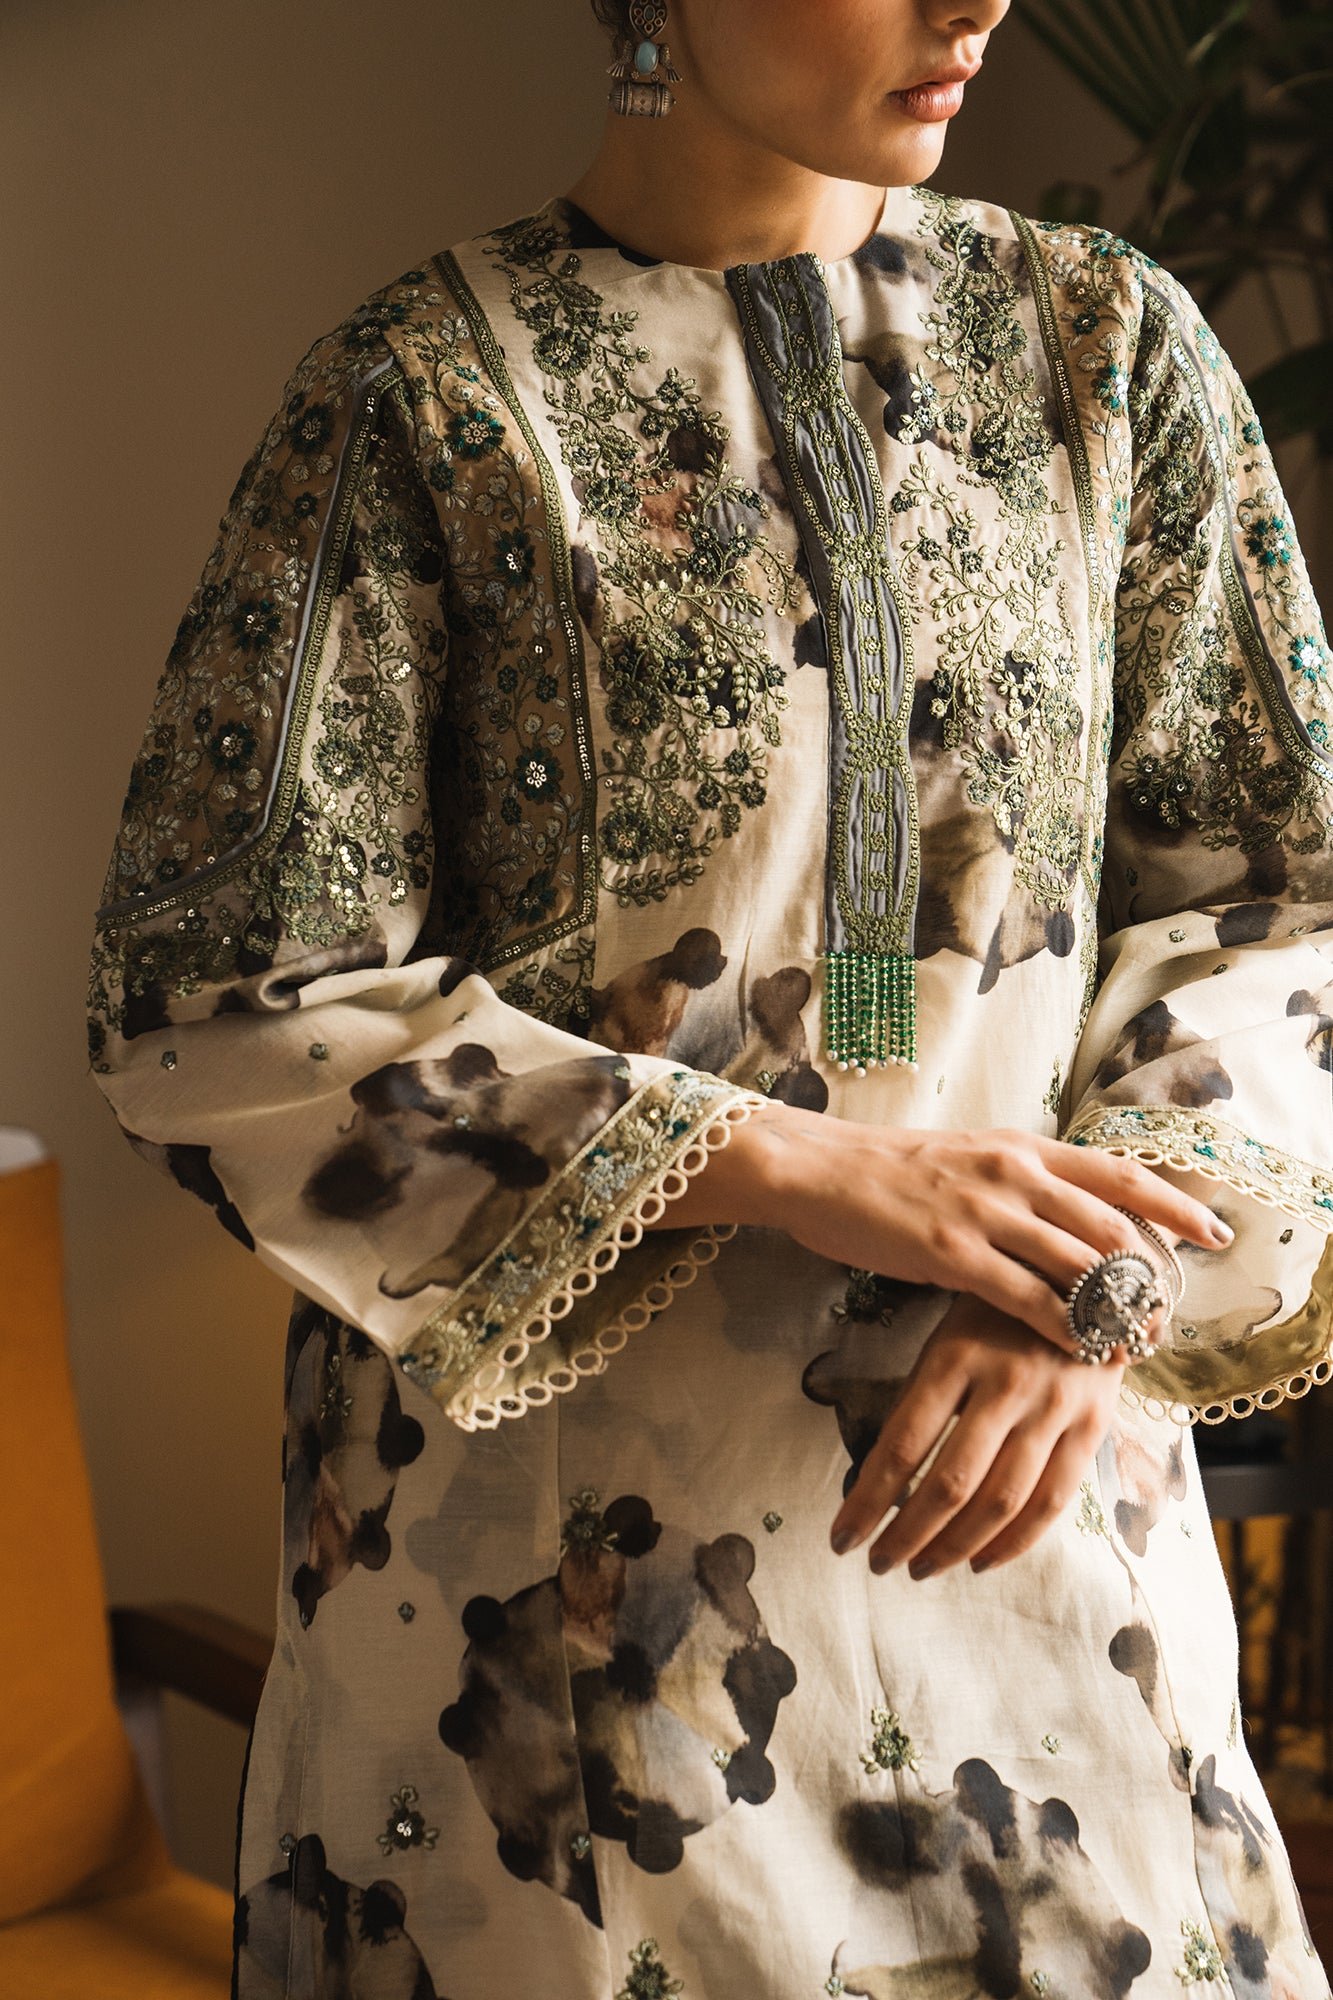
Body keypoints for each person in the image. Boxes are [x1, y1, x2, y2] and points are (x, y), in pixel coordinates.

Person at [85, 0, 1333, 1991]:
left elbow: (1277, 900)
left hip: (1038, 1545)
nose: (970, 3)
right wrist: (790, 1164)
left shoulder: (1105, 353)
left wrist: (1101, 1289)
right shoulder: (423, 399)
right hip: (558, 1626)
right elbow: (211, 999)